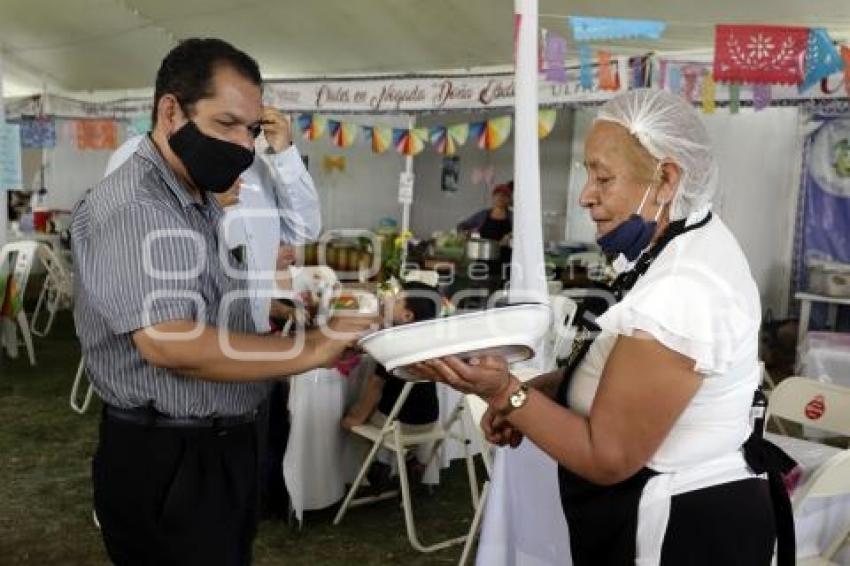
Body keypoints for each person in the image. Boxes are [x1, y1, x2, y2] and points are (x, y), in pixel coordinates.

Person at [412, 89, 796, 565]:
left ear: (666, 179)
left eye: (603, 177)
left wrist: (507, 394)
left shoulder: (684, 289)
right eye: (587, 174)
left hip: (683, 532)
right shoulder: (686, 242)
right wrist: (539, 395)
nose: (585, 195)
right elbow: (622, 373)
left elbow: (608, 457)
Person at [72, 38, 374, 565]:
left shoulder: (192, 197)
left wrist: (277, 314)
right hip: (170, 455)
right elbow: (170, 342)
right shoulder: (136, 205)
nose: (244, 146)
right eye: (227, 125)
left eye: (251, 130)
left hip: (222, 440)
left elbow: (200, 301)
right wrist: (314, 348)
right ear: (171, 111)